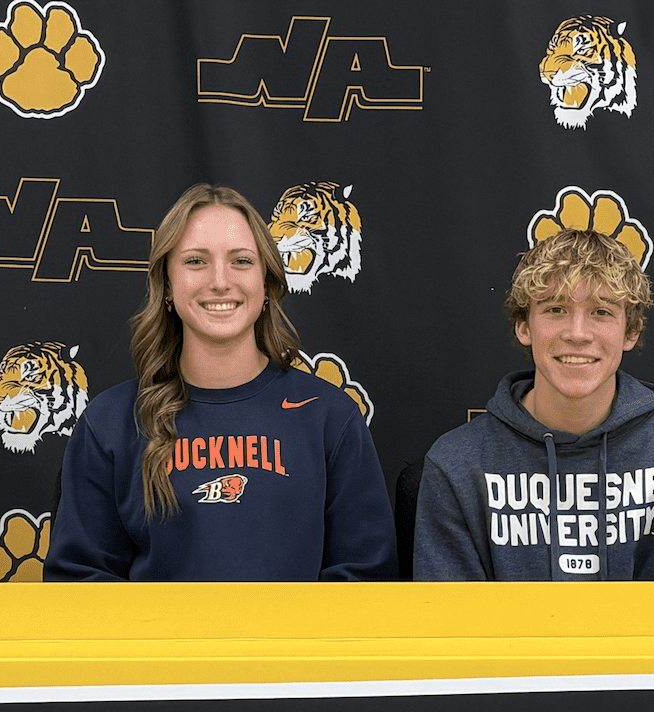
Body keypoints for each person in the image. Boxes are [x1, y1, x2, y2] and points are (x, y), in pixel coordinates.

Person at [45, 185, 396, 581]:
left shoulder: (329, 417)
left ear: (267, 283)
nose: (220, 281)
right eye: (195, 261)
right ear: (167, 285)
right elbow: (80, 586)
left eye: (241, 261)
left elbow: (366, 582)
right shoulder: (110, 423)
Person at [412, 229, 654, 580]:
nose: (577, 334)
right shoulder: (456, 464)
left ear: (631, 332)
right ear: (524, 326)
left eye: (601, 311)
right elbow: (451, 615)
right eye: (556, 309)